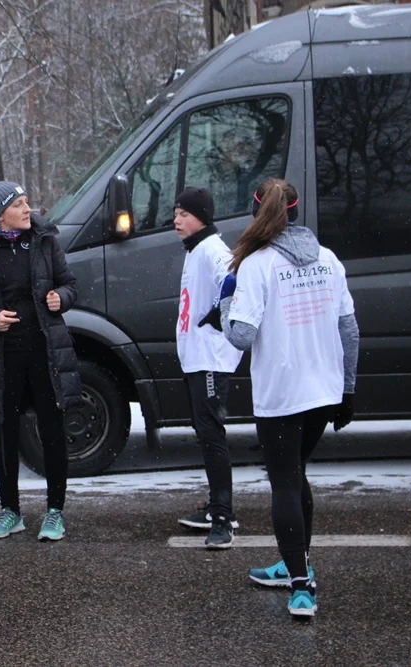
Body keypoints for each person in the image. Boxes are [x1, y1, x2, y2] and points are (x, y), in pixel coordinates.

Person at [220, 178, 359, 618]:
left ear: (256, 212)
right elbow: (349, 329)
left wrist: (225, 303)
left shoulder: (256, 264)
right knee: (296, 475)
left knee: (284, 483)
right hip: (325, 389)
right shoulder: (328, 259)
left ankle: (301, 587)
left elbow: (241, 337)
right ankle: (294, 563)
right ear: (296, 213)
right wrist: (348, 390)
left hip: (282, 393)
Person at [0, 176, 81, 542]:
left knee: (52, 430)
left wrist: (61, 297)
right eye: (18, 205)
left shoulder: (44, 240)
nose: (28, 209)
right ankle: (10, 510)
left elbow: (70, 284)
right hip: (2, 356)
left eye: (26, 202)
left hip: (45, 351)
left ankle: (55, 511)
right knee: (5, 433)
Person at [171, 187, 243, 549]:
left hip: (211, 359)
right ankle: (217, 506)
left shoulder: (213, 249)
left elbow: (235, 281)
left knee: (212, 435)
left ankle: (224, 519)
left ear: (202, 217)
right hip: (196, 357)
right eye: (175, 214)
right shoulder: (196, 249)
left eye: (184, 214)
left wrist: (218, 315)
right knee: (205, 432)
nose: (176, 221)